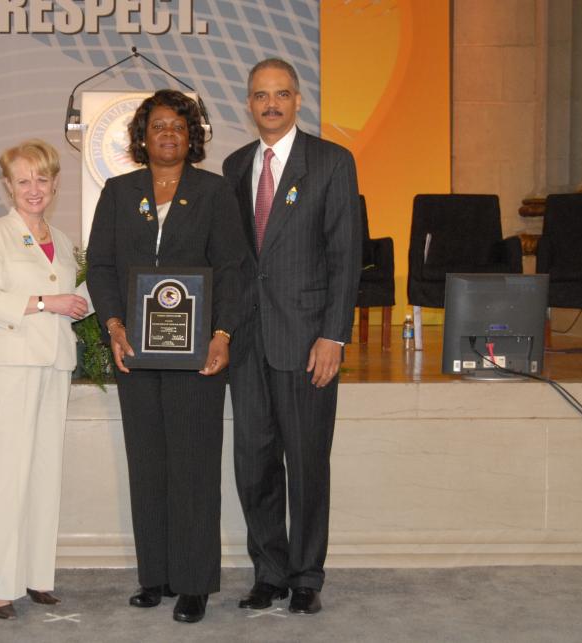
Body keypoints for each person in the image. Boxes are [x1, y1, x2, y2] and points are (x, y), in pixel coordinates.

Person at [86, 90, 246, 624]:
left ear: (192, 135)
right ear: (143, 135)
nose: (169, 134)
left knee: (194, 463)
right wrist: (112, 324)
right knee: (148, 463)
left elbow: (232, 268)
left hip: (198, 354)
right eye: (159, 126)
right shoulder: (117, 191)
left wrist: (222, 334)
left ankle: (195, 582)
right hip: (135, 351)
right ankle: (154, 576)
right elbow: (103, 267)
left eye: (179, 125)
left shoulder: (215, 192)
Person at [222, 59, 362, 615]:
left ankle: (306, 577)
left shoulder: (330, 162)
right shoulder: (233, 167)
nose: (271, 104)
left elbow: (346, 257)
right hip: (248, 344)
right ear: (249, 103)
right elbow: (233, 262)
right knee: (253, 462)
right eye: (261, 95)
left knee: (306, 462)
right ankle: (269, 573)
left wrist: (334, 336)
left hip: (308, 342)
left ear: (299, 100)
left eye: (282, 94)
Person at [0, 139, 91, 620]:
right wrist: (47, 303)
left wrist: (93, 293)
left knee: (46, 471)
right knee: (7, 472)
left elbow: (72, 299)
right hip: (13, 361)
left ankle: (38, 576)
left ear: (56, 182)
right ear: (8, 185)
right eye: (23, 180)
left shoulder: (62, 242)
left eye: (42, 179)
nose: (34, 189)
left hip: (55, 361)